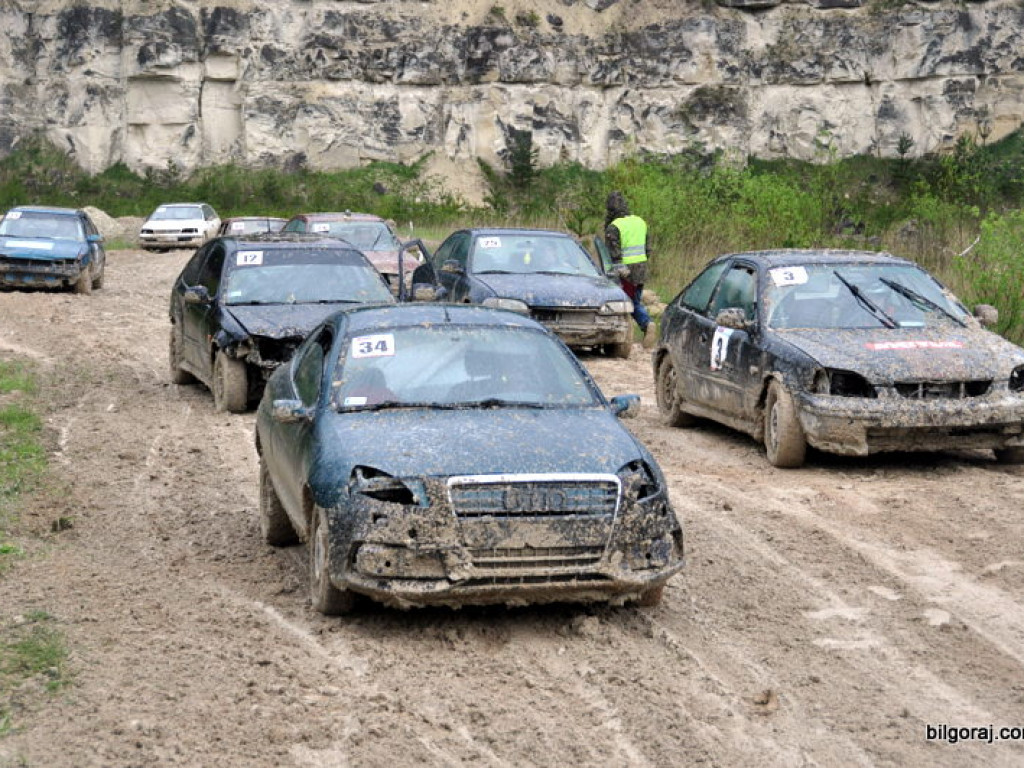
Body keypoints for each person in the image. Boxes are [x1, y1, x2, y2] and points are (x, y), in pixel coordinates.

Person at [604, 191, 655, 347]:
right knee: (635, 301)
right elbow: (647, 249)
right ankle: (645, 326)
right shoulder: (640, 222)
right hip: (641, 269)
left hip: (624, 273)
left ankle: (644, 325)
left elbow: (613, 255)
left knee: (625, 304)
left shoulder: (614, 227)